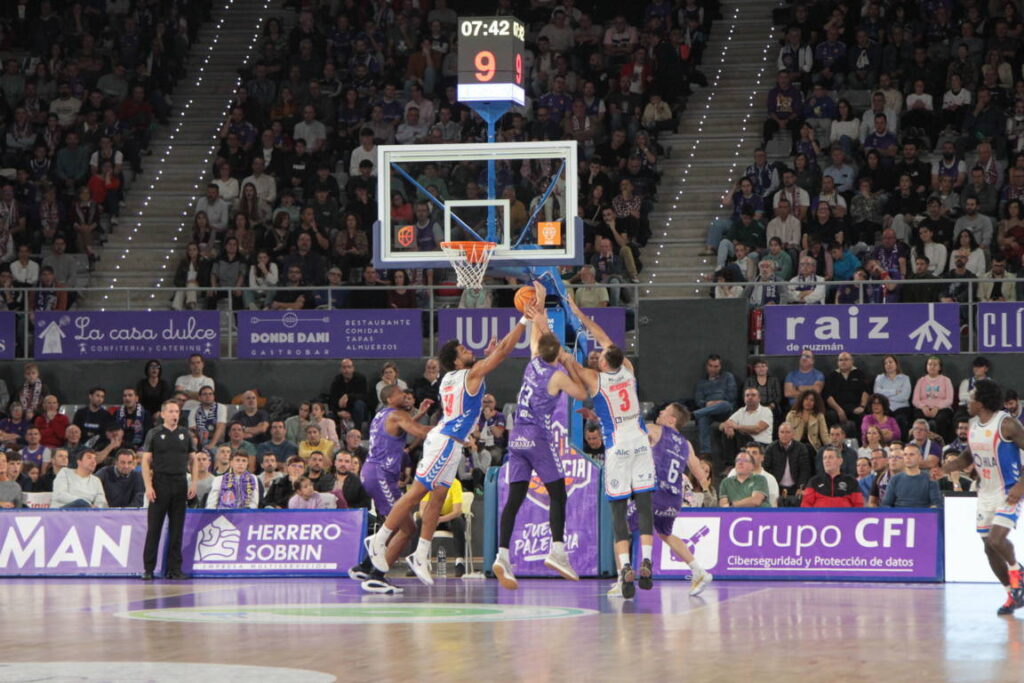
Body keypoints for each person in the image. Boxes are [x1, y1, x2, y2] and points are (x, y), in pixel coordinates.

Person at [367, 305, 528, 587]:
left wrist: (485, 358)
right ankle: (378, 540)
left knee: (438, 497)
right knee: (416, 493)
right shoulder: (469, 375)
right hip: (445, 441)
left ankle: (421, 554)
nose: (469, 350)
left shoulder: (447, 379)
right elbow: (503, 352)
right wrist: (525, 319)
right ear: (456, 361)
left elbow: (475, 377)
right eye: (464, 349)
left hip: (450, 443)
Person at [494, 285, 590, 590]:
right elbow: (583, 393)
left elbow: (539, 332)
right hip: (537, 438)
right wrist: (569, 363)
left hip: (516, 436)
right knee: (558, 494)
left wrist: (539, 302)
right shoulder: (557, 373)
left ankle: (502, 555)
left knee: (515, 499)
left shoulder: (533, 360)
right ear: (557, 352)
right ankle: (557, 550)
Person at [943, 379, 1024, 614]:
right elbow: (967, 458)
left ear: (982, 401)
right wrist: (947, 467)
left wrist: (1021, 485)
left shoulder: (1006, 424)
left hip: (1008, 491)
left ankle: (1017, 571)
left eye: (971, 397)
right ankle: (1012, 592)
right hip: (985, 494)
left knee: (998, 540)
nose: (967, 401)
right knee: (988, 547)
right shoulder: (972, 425)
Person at [624, 403, 714, 596]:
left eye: (665, 412)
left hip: (655, 493)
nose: (660, 412)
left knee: (621, 529)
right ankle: (699, 571)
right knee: (665, 534)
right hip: (674, 499)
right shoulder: (686, 444)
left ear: (672, 419)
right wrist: (706, 490)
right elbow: (699, 473)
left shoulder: (654, 430)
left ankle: (622, 578)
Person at [140, 400, 198, 581]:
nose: (175, 415)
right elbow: (145, 461)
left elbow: (193, 460)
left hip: (180, 482)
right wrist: (148, 486)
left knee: (177, 529)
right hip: (160, 482)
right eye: (171, 411)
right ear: (163, 414)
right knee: (154, 528)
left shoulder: (185, 434)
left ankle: (174, 569)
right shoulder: (154, 433)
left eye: (177, 412)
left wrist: (194, 483)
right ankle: (148, 569)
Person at [717, 387, 773, 474]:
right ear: (744, 398)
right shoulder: (741, 411)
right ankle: (730, 465)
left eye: (753, 395)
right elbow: (723, 424)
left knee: (739, 432)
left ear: (759, 398)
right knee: (727, 431)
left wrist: (736, 426)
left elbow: (757, 429)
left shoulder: (766, 411)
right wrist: (728, 427)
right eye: (747, 395)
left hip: (761, 444)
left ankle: (735, 464)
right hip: (744, 441)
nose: (750, 397)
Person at [691, 354, 737, 457]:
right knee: (703, 417)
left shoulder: (728, 377)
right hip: (708, 411)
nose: (713, 369)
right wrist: (707, 404)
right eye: (711, 366)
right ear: (706, 366)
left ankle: (694, 414)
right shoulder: (701, 383)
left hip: (724, 410)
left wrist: (718, 402)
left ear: (720, 366)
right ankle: (705, 453)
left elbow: (732, 396)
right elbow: (698, 400)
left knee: (725, 404)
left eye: (716, 366)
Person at [418, 479, 467, 576]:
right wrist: (431, 519)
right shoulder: (430, 483)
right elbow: (422, 510)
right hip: (433, 517)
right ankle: (418, 560)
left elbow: (457, 511)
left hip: (449, 517)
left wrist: (440, 519)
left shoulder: (455, 483)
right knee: (418, 522)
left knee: (458, 521)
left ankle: (459, 562)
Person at [764, 422, 812, 506]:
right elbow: (766, 469)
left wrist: (801, 487)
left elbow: (805, 470)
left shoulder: (801, 448)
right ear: (778, 434)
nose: (784, 435)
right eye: (782, 432)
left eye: (787, 432)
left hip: (796, 487)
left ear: (793, 434)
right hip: (776, 486)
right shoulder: (770, 448)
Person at [823, 353, 870, 436]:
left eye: (846, 359)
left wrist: (862, 406)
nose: (843, 362)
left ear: (852, 361)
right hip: (837, 408)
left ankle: (860, 444)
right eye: (840, 360)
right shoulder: (832, 376)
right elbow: (828, 396)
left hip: (855, 407)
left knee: (861, 415)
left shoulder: (859, 374)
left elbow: (865, 392)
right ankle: (832, 443)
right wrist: (839, 410)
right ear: (837, 362)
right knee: (830, 415)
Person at [882, 443, 941, 508]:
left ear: (920, 458)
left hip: (923, 516)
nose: (907, 457)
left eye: (911, 454)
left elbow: (936, 504)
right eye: (905, 454)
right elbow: (886, 504)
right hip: (899, 515)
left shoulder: (930, 479)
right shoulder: (895, 479)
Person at [329, 358, 370, 428]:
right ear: (341, 369)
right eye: (344, 367)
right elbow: (332, 400)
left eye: (349, 367)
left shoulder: (360, 378)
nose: (347, 370)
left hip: (357, 409)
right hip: (342, 410)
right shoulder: (336, 381)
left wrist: (348, 396)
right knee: (330, 415)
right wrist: (338, 412)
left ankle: (357, 432)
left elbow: (364, 396)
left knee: (359, 405)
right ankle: (336, 438)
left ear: (353, 368)